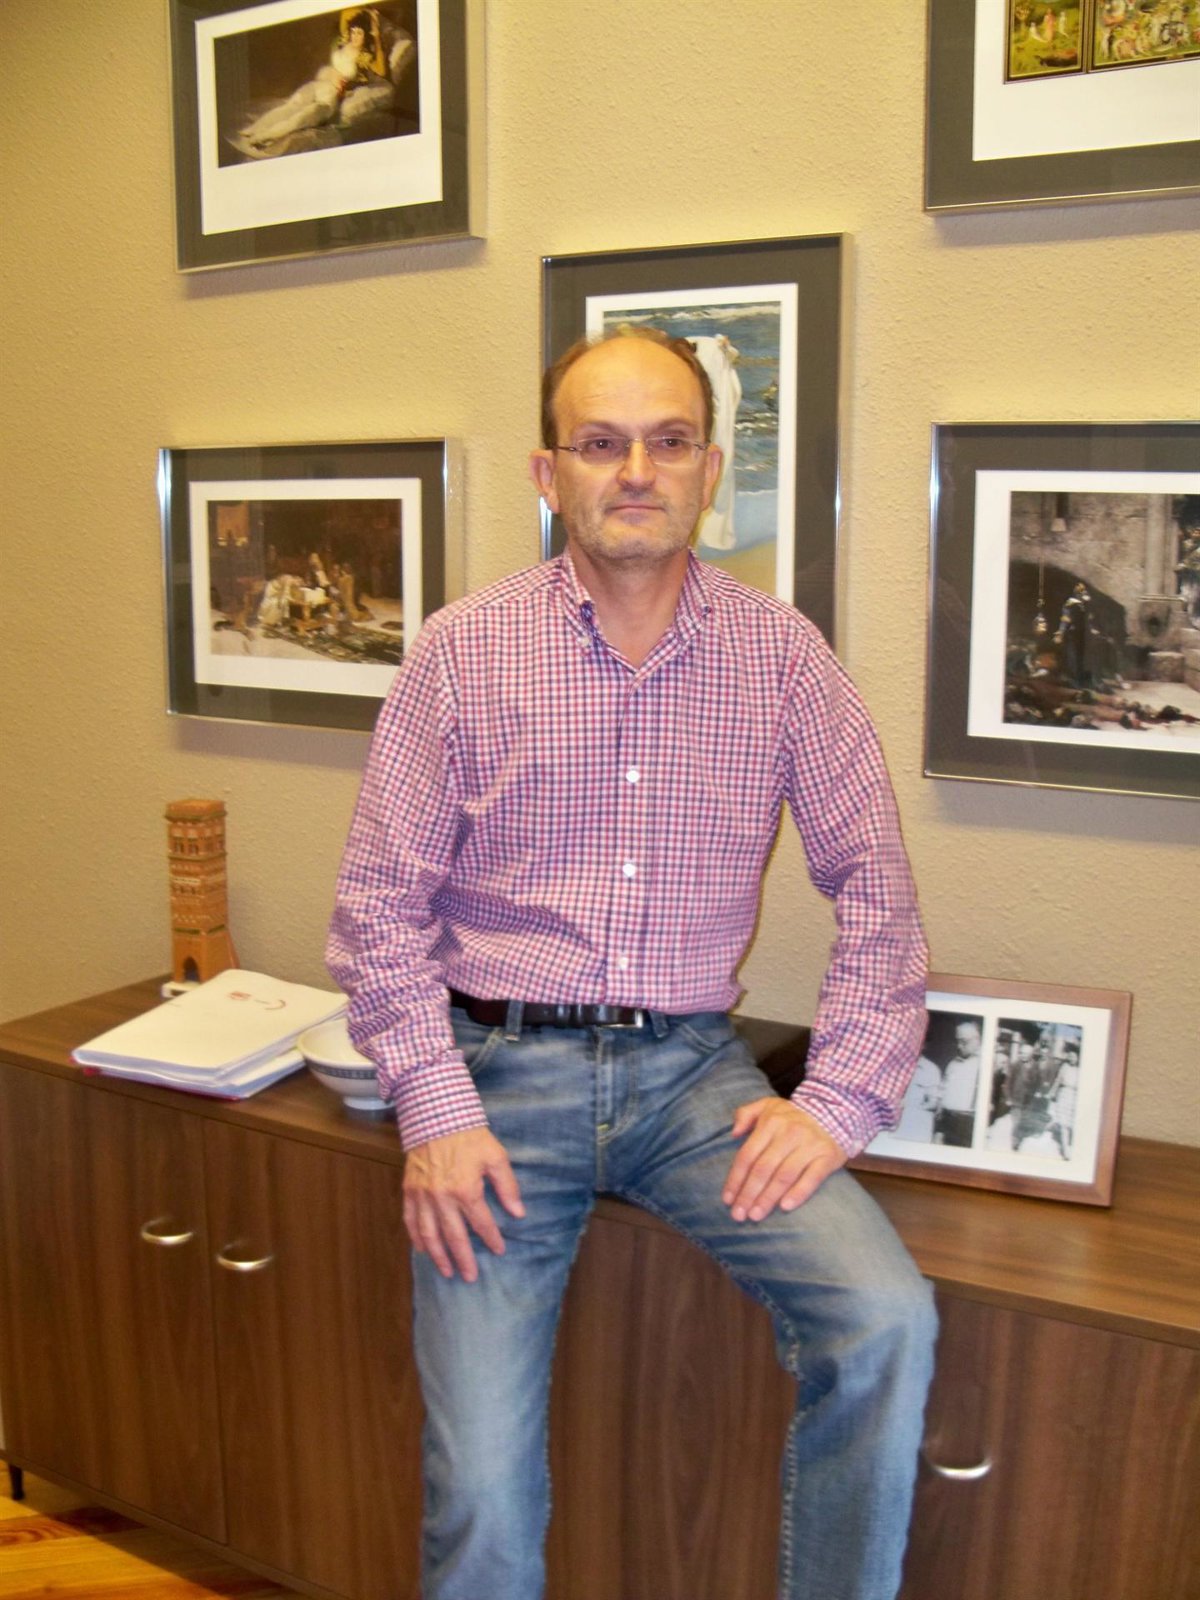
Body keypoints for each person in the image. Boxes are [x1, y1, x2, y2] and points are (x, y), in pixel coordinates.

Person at [327, 326, 936, 1600]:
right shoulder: (461, 652)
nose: (638, 471)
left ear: (711, 470)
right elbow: (379, 906)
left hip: (691, 1083)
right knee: (480, 1487)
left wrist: (838, 1100)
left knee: (886, 1319)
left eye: (668, 441)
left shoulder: (786, 660)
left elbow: (878, 894)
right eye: (601, 443)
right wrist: (433, 1111)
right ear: (549, 473)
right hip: (496, 1082)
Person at [931, 1019, 981, 1148]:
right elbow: (942, 1092)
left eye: (964, 1042)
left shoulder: (983, 1065)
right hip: (947, 1119)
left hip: (967, 1123)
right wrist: (939, 1129)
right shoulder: (953, 1064)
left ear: (976, 1040)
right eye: (957, 1041)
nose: (959, 1046)